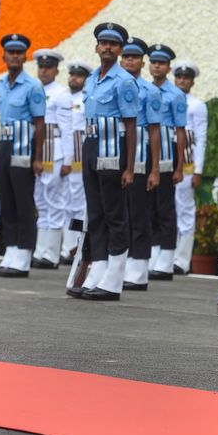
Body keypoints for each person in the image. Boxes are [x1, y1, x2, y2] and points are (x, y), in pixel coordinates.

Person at [68, 22, 138, 301]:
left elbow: (131, 127)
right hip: (92, 146)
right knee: (95, 213)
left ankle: (114, 277)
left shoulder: (124, 81)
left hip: (113, 148)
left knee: (115, 215)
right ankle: (98, 268)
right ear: (97, 47)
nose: (107, 47)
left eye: (113, 44)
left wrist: (131, 168)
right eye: (103, 42)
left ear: (120, 49)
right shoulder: (92, 78)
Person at [0, 34, 46, 278]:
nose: (14, 56)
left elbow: (40, 124)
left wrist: (38, 157)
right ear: (4, 56)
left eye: (19, 53)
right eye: (10, 52)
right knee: (7, 201)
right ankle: (10, 251)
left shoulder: (32, 86)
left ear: (25, 57)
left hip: (24, 146)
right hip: (5, 145)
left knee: (23, 202)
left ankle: (23, 255)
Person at [119, 37, 161, 290]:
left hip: (141, 152)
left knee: (139, 212)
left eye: (133, 57)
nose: (128, 61)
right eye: (125, 57)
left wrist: (155, 169)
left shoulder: (150, 91)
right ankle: (120, 263)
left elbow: (155, 132)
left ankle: (138, 268)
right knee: (119, 212)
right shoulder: (116, 86)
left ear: (142, 62)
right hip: (116, 150)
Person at [146, 44, 187, 281]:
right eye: (153, 62)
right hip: (147, 151)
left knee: (165, 207)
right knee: (148, 206)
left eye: (161, 62)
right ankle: (151, 253)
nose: (157, 66)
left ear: (168, 67)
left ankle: (166, 257)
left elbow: (181, 132)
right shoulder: (143, 90)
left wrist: (179, 167)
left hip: (166, 152)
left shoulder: (176, 95)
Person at [31, 49, 73, 269]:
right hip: (38, 149)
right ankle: (41, 250)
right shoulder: (34, 88)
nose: (44, 71)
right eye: (41, 67)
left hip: (54, 148)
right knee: (41, 202)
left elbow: (67, 128)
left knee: (54, 202)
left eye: (48, 67)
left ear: (56, 70)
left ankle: (52, 253)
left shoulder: (61, 93)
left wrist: (68, 159)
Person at [172, 60, 208, 275]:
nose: (182, 80)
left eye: (186, 78)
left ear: (192, 82)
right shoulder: (167, 100)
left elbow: (200, 139)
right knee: (166, 210)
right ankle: (165, 255)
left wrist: (198, 170)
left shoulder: (196, 105)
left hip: (186, 163)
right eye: (179, 77)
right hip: (167, 163)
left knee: (184, 210)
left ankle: (182, 260)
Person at [59, 61, 93, 265]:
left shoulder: (87, 99)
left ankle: (79, 247)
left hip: (80, 154)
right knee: (65, 203)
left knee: (79, 203)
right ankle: (66, 247)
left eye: (79, 75)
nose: (74, 78)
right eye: (72, 74)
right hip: (63, 154)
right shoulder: (64, 98)